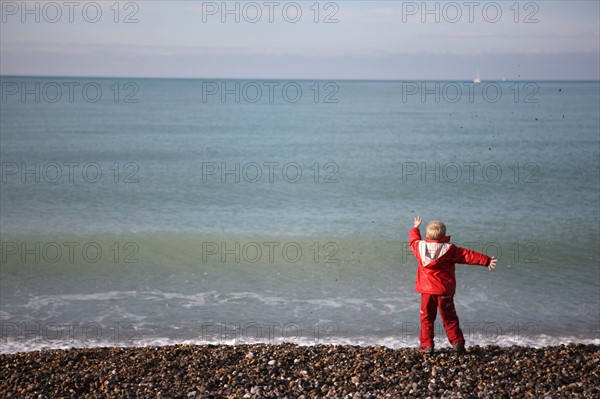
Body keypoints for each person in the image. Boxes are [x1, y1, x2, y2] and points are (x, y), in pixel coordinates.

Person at [409, 216, 497, 354]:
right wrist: (485, 260)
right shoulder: (449, 249)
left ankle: (427, 346)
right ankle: (457, 343)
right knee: (450, 317)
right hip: (445, 291)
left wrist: (415, 228)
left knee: (426, 318)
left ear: (427, 235)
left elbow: (413, 240)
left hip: (427, 291)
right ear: (443, 235)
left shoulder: (420, 247)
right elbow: (467, 255)